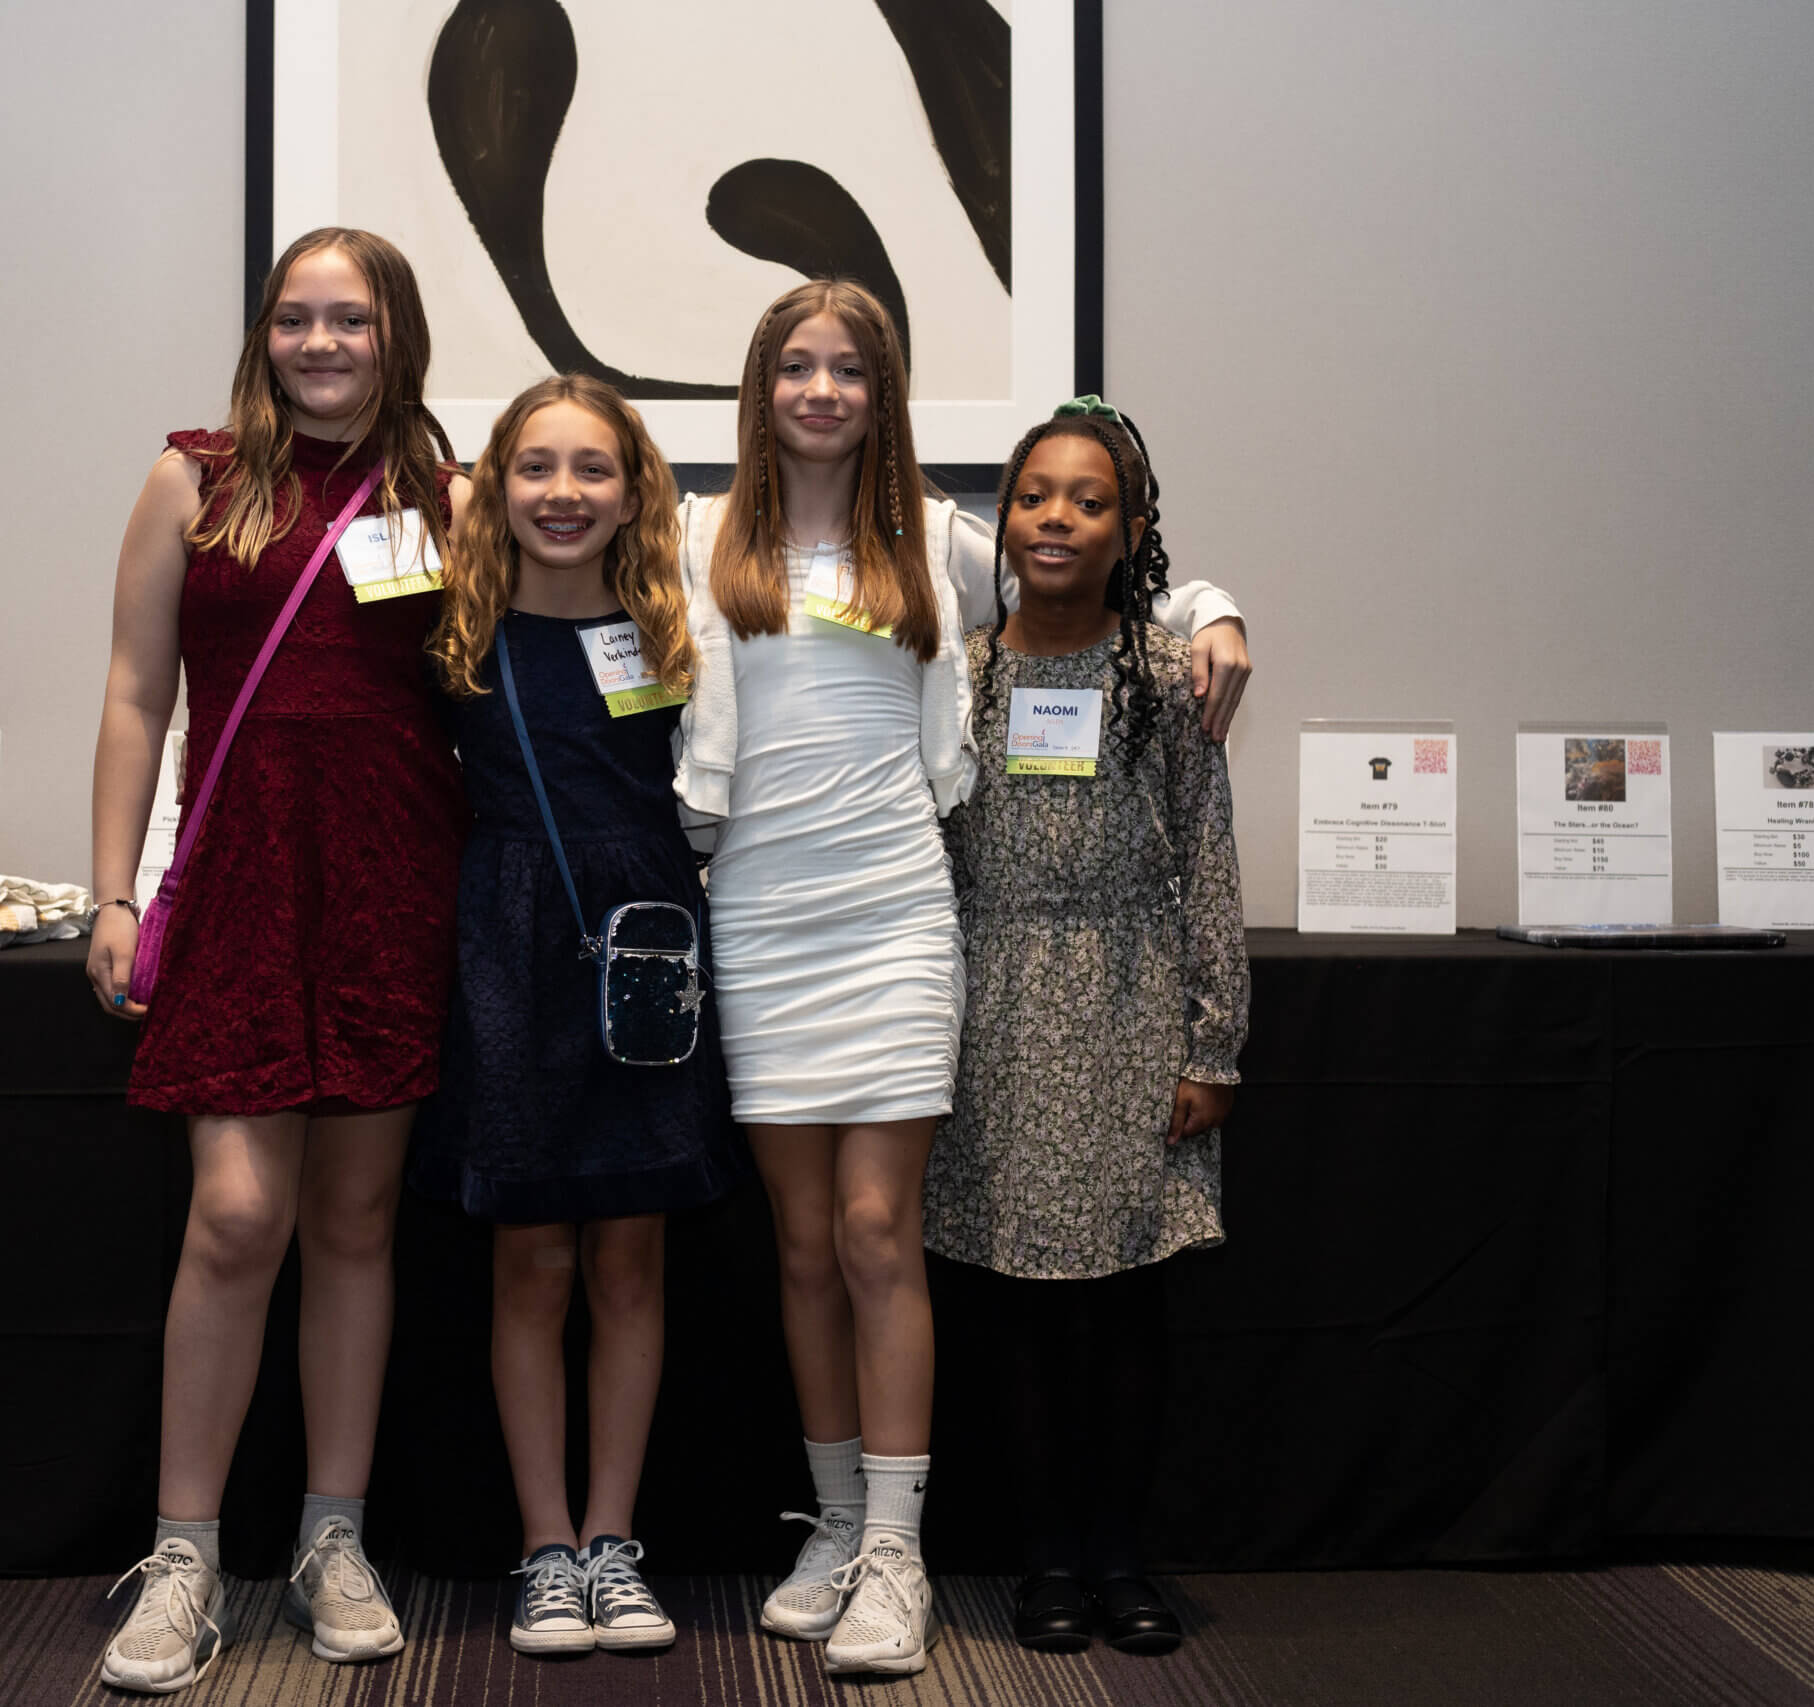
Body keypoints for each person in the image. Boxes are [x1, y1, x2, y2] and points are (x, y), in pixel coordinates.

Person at [670, 281, 1252, 1676]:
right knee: (801, 1247)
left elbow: (1105, 574)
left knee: (878, 1233)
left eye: (850, 368)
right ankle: (838, 1518)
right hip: (756, 915)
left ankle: (900, 1548)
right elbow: (535, 538)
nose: (823, 388)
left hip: (896, 915)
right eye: (797, 365)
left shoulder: (935, 534)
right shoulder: (699, 533)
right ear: (761, 386)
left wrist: (1219, 607)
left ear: (887, 390)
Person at [83, 226, 469, 1695]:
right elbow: (132, 693)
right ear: (265, 333)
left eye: (349, 320)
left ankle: (331, 1535)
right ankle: (185, 1551)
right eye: (296, 319)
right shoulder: (193, 478)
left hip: (392, 882)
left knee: (359, 1225)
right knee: (241, 1216)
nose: (320, 343)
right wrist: (110, 889)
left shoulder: (449, 493)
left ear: (394, 334)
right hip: (243, 880)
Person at [413, 374, 744, 1659]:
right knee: (533, 1258)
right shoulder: (452, 625)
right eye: (534, 467)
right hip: (507, 942)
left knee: (629, 1259)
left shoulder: (674, 622)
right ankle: (544, 1547)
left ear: (634, 488)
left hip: (644, 944)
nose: (563, 493)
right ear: (491, 484)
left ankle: (615, 1541)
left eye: (592, 469)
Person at [925, 398, 1247, 1657]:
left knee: (1119, 1316)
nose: (1056, 518)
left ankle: (1120, 1553)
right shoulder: (955, 670)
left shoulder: (1168, 677)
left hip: (1126, 1004)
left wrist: (1209, 1043)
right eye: (1034, 496)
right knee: (1008, 1313)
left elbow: (1209, 862)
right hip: (984, 1008)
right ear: (1002, 520)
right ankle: (1045, 1557)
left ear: (1131, 530)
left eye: (1089, 500)